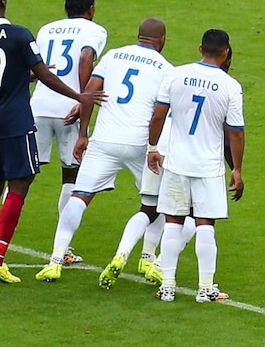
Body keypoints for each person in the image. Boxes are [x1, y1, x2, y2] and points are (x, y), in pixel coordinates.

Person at [0, 0, 96, 281]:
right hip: (16, 118)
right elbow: (44, 77)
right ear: (4, 0)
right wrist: (80, 97)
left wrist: (19, 77)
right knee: (21, 182)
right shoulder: (19, 34)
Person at [49, 18, 174, 285]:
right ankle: (146, 258)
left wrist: (83, 135)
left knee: (79, 197)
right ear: (162, 39)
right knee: (157, 203)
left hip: (104, 139)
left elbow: (90, 92)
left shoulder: (114, 55)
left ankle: (55, 260)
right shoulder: (166, 69)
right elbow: (161, 115)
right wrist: (155, 147)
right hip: (140, 144)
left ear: (138, 36)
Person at [148, 29, 244, 304]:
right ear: (225, 52)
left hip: (176, 162)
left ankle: (167, 286)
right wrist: (236, 169)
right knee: (205, 225)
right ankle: (206, 288)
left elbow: (158, 115)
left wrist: (153, 148)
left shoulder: (176, 74)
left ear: (200, 47)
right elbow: (235, 132)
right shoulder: (229, 85)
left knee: (173, 222)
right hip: (208, 166)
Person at [30, 0, 107, 267]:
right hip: (69, 110)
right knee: (71, 176)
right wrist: (84, 94)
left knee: (22, 175)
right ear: (91, 9)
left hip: (38, 106)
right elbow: (86, 58)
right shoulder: (95, 31)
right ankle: (62, 249)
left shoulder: (47, 29)